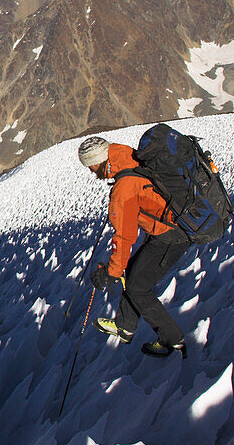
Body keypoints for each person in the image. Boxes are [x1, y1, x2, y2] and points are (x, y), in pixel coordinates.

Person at [78, 136, 190, 358]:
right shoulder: (129, 159)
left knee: (138, 288)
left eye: (90, 166)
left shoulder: (124, 188)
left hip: (171, 235)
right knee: (135, 274)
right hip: (167, 227)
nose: (91, 172)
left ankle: (173, 341)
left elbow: (124, 236)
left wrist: (111, 273)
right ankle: (125, 325)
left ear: (99, 160)